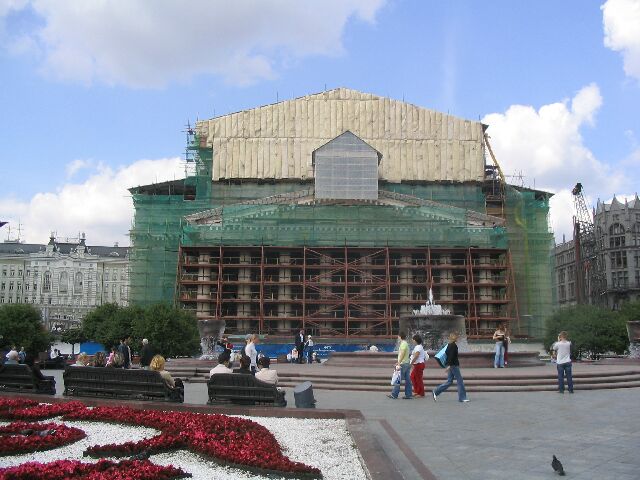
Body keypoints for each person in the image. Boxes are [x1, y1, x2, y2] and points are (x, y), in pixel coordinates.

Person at [432, 332, 469, 403]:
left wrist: (448, 365)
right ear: (455, 337)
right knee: (460, 381)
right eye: (457, 336)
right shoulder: (453, 345)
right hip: (453, 365)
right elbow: (451, 356)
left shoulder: (449, 345)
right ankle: (462, 397)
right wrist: (449, 365)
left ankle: (436, 391)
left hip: (451, 365)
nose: (458, 338)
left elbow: (447, 355)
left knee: (449, 381)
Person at [388, 331, 412, 399]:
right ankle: (408, 394)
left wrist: (399, 362)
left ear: (400, 337)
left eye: (398, 336)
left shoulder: (403, 344)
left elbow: (402, 353)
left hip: (403, 364)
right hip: (407, 363)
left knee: (398, 379)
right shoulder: (406, 343)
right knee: (408, 380)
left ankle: (394, 394)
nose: (398, 338)